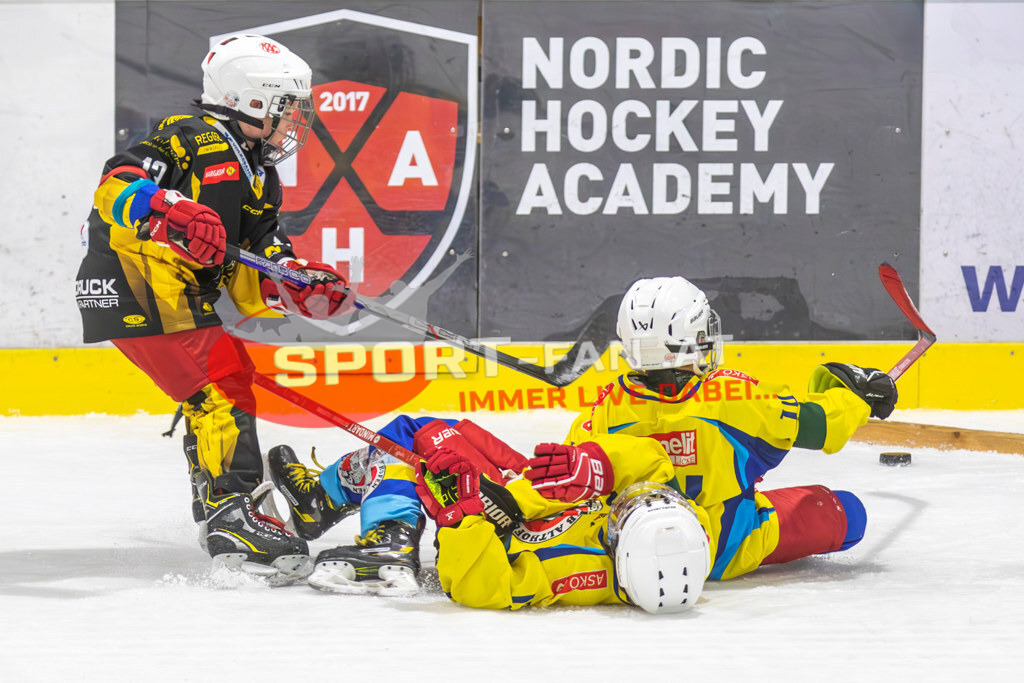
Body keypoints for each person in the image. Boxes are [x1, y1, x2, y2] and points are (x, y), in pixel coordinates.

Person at [74, 34, 351, 583]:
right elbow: (117, 182)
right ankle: (231, 513)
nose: (296, 121)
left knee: (231, 379)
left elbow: (260, 252)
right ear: (249, 101)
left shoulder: (260, 173)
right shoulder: (189, 139)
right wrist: (169, 206)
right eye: (286, 108)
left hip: (172, 293)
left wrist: (293, 280)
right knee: (220, 387)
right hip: (136, 282)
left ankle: (221, 498)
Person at [563, 276, 898, 579]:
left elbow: (567, 479)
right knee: (847, 511)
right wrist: (855, 397)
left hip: (645, 560)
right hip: (728, 550)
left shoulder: (606, 409)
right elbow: (822, 426)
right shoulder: (732, 397)